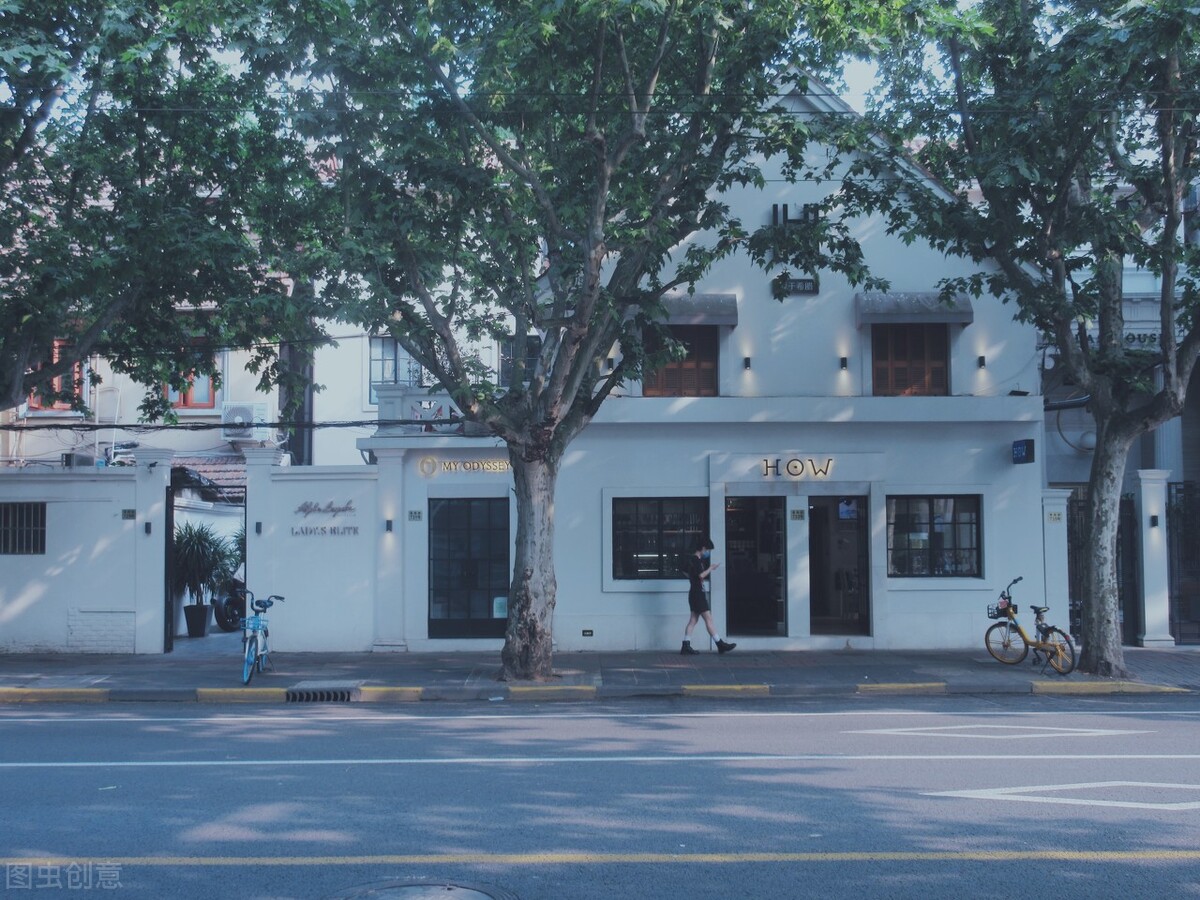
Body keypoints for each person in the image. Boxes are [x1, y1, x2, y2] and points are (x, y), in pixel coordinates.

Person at [681, 537, 736, 655]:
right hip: (698, 594)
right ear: (703, 548)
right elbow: (701, 575)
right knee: (708, 619)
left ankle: (686, 645)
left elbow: (685, 572)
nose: (708, 553)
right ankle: (720, 644)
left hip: (694, 593)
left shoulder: (693, 560)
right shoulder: (696, 560)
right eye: (708, 550)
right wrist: (711, 568)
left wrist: (693, 579)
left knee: (693, 620)